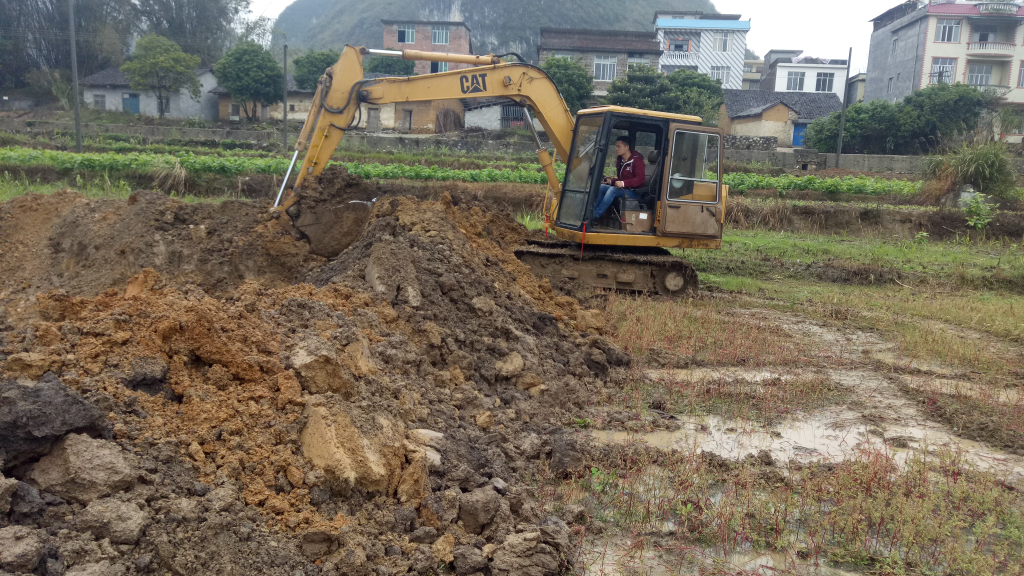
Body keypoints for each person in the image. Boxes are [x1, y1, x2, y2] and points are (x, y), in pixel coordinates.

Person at [593, 136, 646, 221]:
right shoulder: (620, 160)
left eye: (619, 146)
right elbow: (621, 179)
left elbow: (640, 179)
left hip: (634, 192)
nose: (616, 149)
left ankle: (596, 215)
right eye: (616, 146)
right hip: (624, 189)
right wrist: (611, 182)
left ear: (627, 147)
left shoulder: (637, 161)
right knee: (602, 187)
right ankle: (592, 211)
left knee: (612, 190)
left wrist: (623, 183)